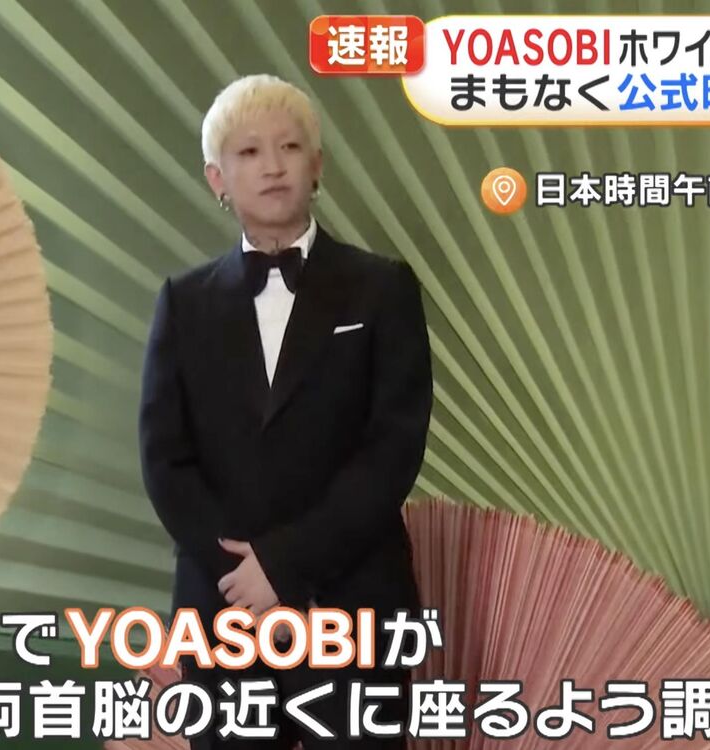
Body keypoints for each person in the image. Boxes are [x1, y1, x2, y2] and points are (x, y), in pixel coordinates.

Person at [138, 74, 432, 749]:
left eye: (290, 147)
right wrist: (243, 578)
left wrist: (285, 564)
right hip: (223, 613)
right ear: (217, 178)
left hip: (354, 607)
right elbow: (165, 460)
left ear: (317, 164)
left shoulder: (383, 288)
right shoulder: (183, 302)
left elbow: (392, 449)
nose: (272, 166)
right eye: (248, 152)